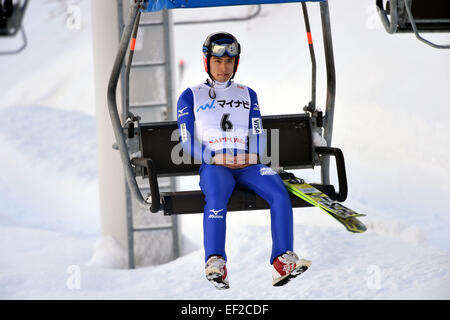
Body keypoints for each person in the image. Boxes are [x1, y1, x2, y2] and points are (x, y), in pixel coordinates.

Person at [176, 32, 310, 289]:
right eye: (217, 62)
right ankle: (215, 262)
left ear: (236, 63)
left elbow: (257, 131)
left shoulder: (248, 93)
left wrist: (255, 155)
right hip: (215, 166)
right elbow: (186, 140)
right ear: (207, 62)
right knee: (216, 195)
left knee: (278, 191)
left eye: (229, 62)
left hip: (249, 165)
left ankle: (283, 261)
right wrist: (213, 156)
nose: (224, 68)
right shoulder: (191, 95)